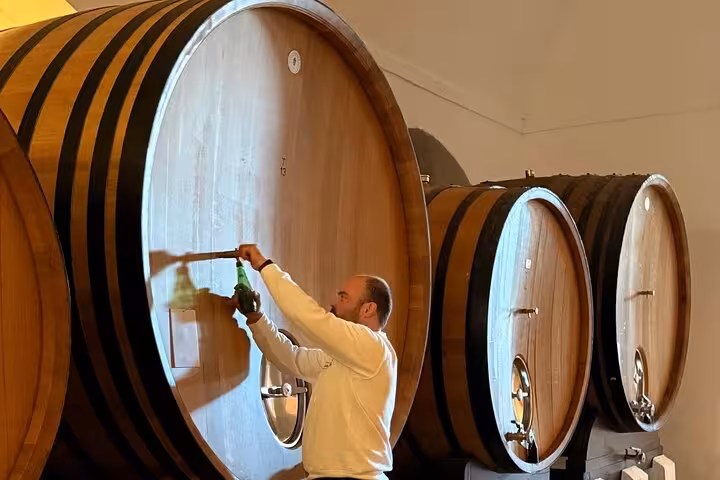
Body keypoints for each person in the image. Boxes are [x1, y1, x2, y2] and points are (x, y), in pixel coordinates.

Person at [231, 244, 397, 480]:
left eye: (343, 297)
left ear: (368, 308)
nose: (335, 304)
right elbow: (292, 359)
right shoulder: (342, 355)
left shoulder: (373, 348)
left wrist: (263, 265)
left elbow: (309, 317)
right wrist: (256, 317)